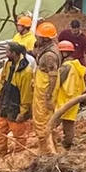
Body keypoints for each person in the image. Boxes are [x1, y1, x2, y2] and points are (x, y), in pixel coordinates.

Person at [0, 41, 34, 158]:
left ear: (14, 53)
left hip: (16, 107)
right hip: (6, 104)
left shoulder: (26, 72)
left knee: (19, 136)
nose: (5, 54)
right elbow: (3, 80)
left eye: (7, 51)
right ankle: (0, 155)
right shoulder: (8, 64)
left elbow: (26, 94)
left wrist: (23, 112)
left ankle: (18, 158)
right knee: (0, 131)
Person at [53, 40, 86, 150]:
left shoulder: (66, 67)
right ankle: (67, 144)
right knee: (69, 124)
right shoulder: (77, 66)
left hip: (64, 99)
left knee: (53, 122)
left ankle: (50, 142)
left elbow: (56, 83)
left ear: (64, 53)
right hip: (74, 99)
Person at [32, 21, 61, 149]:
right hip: (42, 83)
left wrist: (49, 94)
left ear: (45, 38)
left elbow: (53, 75)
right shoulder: (46, 48)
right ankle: (49, 144)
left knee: (43, 117)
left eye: (39, 36)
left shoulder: (49, 55)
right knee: (43, 115)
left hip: (46, 86)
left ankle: (46, 149)